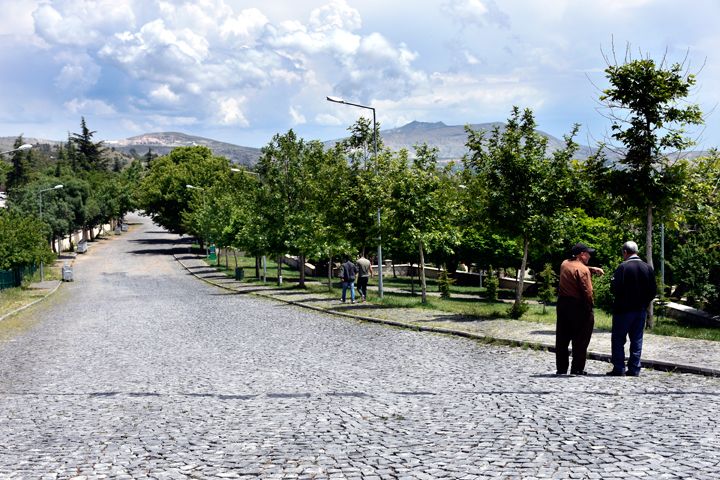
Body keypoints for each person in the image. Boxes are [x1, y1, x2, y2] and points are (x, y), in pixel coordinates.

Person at [607, 241, 657, 377]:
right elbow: (653, 290)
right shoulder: (647, 268)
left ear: (625, 252)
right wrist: (644, 302)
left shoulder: (623, 267)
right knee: (637, 339)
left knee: (618, 339)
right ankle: (634, 368)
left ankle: (619, 368)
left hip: (623, 310)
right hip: (640, 310)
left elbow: (614, 288)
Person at [556, 242, 604, 376]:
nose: (589, 256)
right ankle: (577, 368)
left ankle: (561, 368)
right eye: (588, 253)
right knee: (581, 338)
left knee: (562, 338)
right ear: (582, 254)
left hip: (563, 305)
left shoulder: (564, 264)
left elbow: (575, 267)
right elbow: (587, 291)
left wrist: (591, 268)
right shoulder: (583, 270)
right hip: (579, 306)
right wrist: (590, 307)